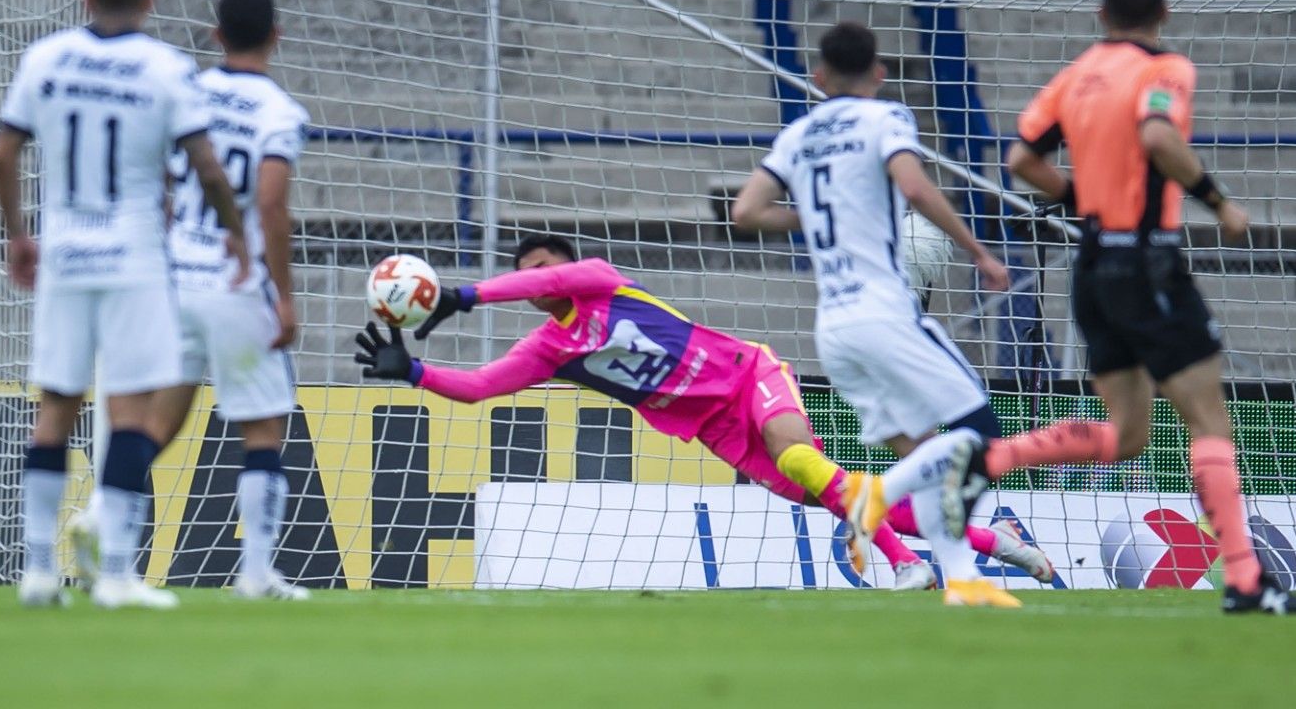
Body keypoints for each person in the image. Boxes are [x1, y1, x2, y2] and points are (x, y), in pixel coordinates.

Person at [353, 234, 1054, 590]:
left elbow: (561, 274)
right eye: (526, 276)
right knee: (824, 490)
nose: (537, 282)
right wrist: (414, 372)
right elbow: (480, 386)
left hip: (749, 375)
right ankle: (994, 541)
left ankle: (905, 565)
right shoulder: (548, 348)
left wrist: (466, 295)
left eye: (541, 269)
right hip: (717, 430)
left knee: (801, 458)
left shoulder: (599, 281)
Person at [981, 0, 1296, 615]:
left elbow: (1020, 158)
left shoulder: (1077, 75)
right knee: (1208, 418)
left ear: (1101, 13)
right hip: (1147, 263)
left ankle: (990, 458)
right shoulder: (1165, 70)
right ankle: (1246, 580)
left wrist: (1080, 194)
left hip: (1091, 264)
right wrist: (1218, 202)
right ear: (1165, 10)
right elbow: (1158, 133)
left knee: (1129, 433)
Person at [0, 0, 249, 611]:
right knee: (129, 411)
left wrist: (19, 234)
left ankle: (37, 571)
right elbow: (207, 168)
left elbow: (2, 154)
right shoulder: (165, 68)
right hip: (133, 258)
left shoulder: (46, 59)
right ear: (149, 1)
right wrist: (234, 232)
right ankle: (115, 576)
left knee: (56, 407)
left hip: (65, 254)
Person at [732, 20, 1022, 608]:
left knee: (924, 453)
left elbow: (746, 212)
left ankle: (962, 581)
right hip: (885, 311)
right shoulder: (885, 117)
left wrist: (814, 219)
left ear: (819, 76)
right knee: (982, 435)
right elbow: (913, 188)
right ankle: (877, 497)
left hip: (834, 329)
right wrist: (977, 251)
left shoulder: (798, 135)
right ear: (879, 72)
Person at [146, 0, 311, 601]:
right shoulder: (279, 111)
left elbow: (159, 177)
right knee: (263, 430)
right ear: (276, 36)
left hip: (175, 281)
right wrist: (284, 296)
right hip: (236, 286)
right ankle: (257, 573)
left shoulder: (187, 93)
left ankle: (100, 526)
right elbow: (269, 204)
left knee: (156, 425)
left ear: (216, 35)